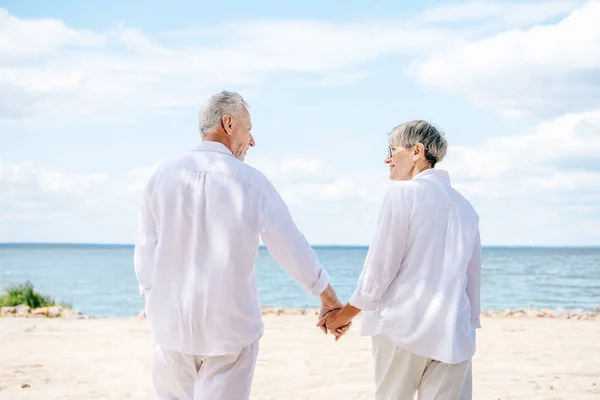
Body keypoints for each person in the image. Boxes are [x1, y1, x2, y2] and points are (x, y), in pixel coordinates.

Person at [134, 90, 343, 400]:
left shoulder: (161, 176)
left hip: (171, 327)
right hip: (229, 330)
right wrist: (327, 296)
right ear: (228, 123)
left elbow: (146, 248)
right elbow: (290, 246)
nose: (252, 141)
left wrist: (153, 301)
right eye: (249, 128)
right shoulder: (251, 182)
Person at [319, 120, 481, 400]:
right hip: (454, 331)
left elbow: (380, 269)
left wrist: (342, 316)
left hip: (402, 328)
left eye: (392, 150)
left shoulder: (403, 194)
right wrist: (469, 322)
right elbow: (472, 279)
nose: (387, 159)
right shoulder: (465, 207)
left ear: (417, 151)